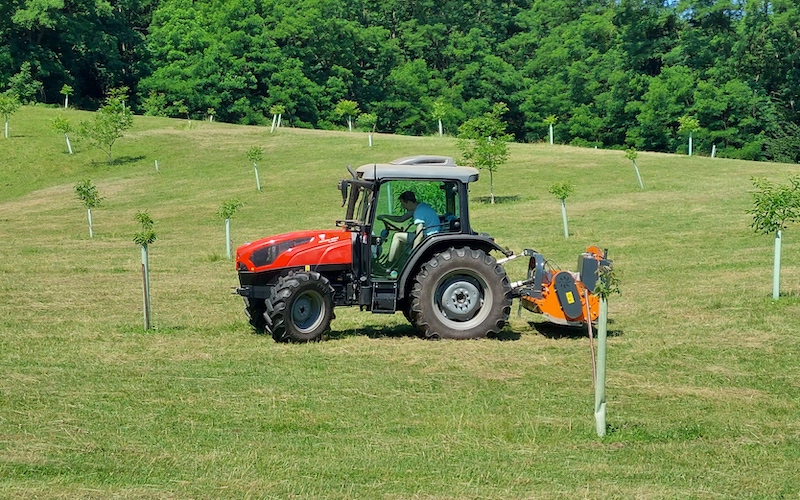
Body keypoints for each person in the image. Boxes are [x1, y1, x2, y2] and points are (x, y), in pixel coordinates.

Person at [377, 191, 440, 266]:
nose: (403, 206)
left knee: (397, 236)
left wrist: (414, 253)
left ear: (409, 202)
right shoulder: (420, 207)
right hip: (431, 234)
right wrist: (385, 216)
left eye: (403, 203)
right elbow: (401, 219)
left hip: (427, 237)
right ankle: (396, 265)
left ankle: (389, 264)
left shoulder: (419, 212)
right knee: (401, 237)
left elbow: (419, 234)